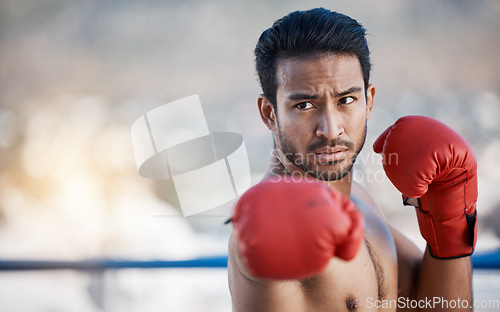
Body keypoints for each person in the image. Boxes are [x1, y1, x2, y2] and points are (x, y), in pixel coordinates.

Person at [227, 8, 477, 312]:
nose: (331, 129)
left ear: (369, 101)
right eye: (305, 105)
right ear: (269, 113)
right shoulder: (273, 222)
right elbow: (260, 240)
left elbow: (432, 306)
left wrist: (450, 223)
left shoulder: (360, 200)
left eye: (346, 100)